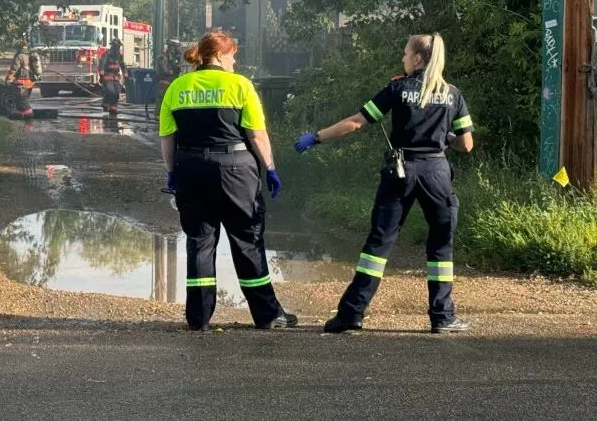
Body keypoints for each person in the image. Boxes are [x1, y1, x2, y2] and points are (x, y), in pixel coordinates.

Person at [294, 33, 474, 333]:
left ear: (418, 58)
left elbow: (357, 122)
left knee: (378, 245)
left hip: (401, 172)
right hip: (437, 173)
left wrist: (317, 137)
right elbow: (466, 145)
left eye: (406, 53)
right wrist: (446, 138)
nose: (402, 58)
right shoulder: (453, 94)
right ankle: (442, 318)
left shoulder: (397, 88)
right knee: (441, 246)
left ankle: (351, 314)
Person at [160, 30, 297, 330]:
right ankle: (268, 315)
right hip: (236, 171)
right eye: (233, 54)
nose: (235, 60)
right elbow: (256, 135)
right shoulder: (240, 85)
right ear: (220, 55)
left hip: (191, 169)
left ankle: (198, 318)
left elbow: (167, 137)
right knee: (247, 240)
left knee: (200, 242)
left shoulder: (177, 88)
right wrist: (270, 168)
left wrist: (172, 172)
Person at [5, 39, 41, 119]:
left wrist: (8, 79)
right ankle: (21, 114)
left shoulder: (19, 56)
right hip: (29, 83)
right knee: (23, 98)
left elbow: (14, 69)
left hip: (21, 83)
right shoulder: (30, 55)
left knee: (22, 99)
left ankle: (27, 115)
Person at [98, 38, 128, 115]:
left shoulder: (119, 56)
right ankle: (108, 104)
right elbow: (102, 64)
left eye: (118, 46)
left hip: (116, 77)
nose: (117, 48)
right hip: (107, 76)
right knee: (111, 91)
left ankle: (112, 107)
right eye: (116, 46)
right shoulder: (106, 54)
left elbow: (123, 65)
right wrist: (101, 74)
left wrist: (125, 73)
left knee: (117, 93)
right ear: (113, 46)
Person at [154, 38, 183, 114]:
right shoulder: (163, 57)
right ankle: (159, 113)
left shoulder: (174, 58)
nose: (178, 50)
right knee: (162, 97)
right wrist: (171, 71)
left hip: (172, 81)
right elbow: (165, 70)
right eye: (176, 47)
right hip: (164, 81)